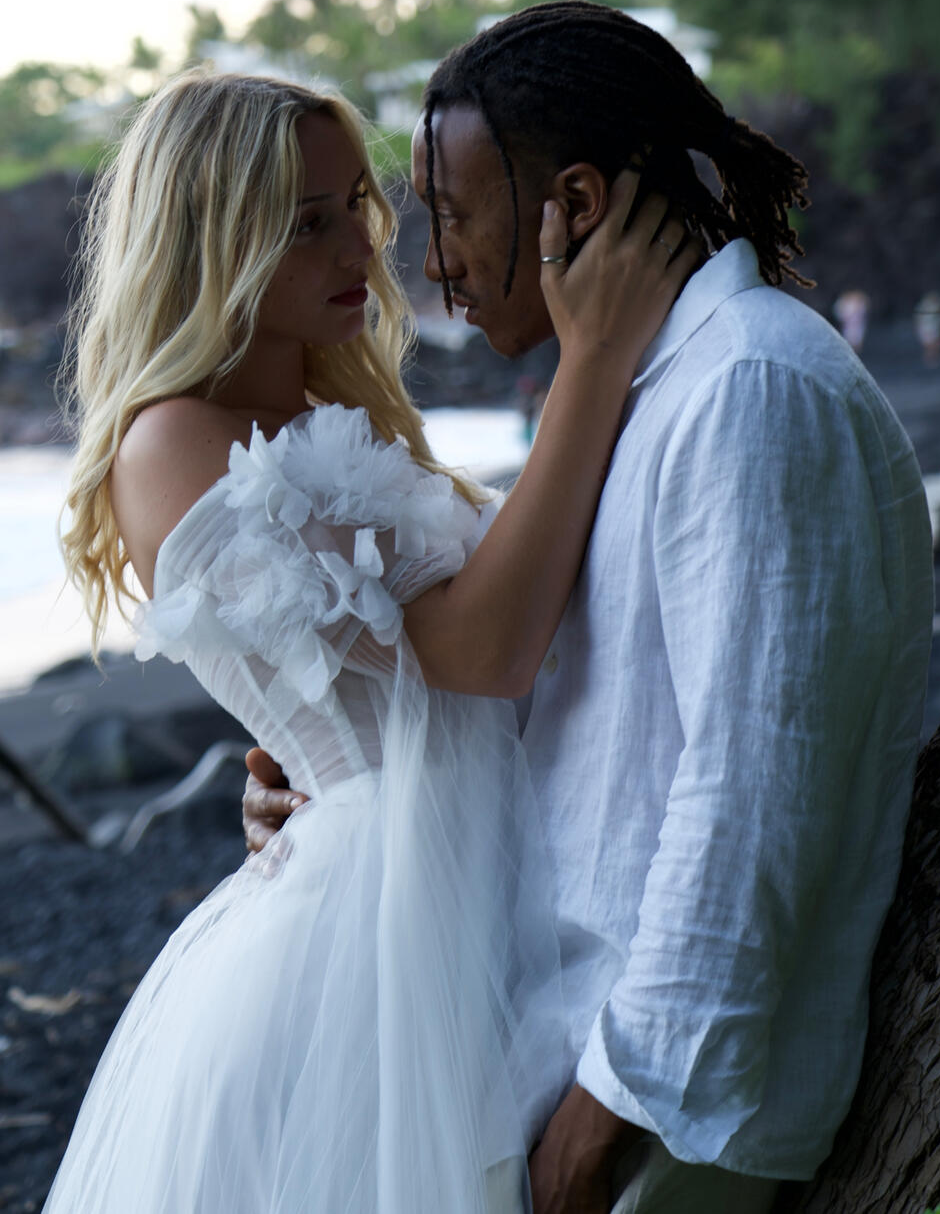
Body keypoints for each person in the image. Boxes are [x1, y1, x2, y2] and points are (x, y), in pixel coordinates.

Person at [245, 2, 935, 1213]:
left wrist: (608, 1109)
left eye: (455, 214)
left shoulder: (749, 388)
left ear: (572, 204)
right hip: (555, 1047)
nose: (435, 263)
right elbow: (566, 711)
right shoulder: (645, 389)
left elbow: (753, 794)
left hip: (660, 1113)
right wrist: (336, 776)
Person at [47, 67, 697, 1213]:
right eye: (308, 223)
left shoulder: (322, 415)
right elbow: (480, 651)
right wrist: (591, 361)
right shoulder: (170, 440)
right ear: (212, 244)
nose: (363, 246)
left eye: (357, 203)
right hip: (378, 927)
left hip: (482, 869)